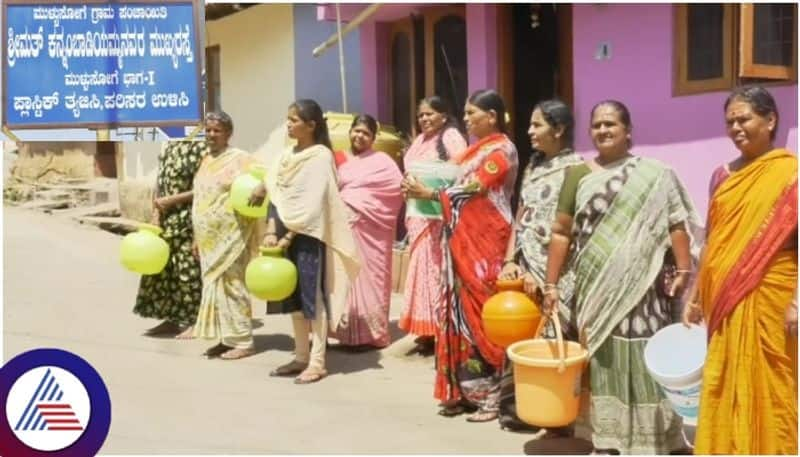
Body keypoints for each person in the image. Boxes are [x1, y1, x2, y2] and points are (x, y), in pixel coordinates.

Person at [543, 100, 702, 454]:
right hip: (594, 287)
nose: (603, 130)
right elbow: (561, 232)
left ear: (628, 130)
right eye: (596, 125)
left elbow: (675, 222)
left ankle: (657, 438)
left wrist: (685, 268)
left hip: (644, 288)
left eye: (610, 124)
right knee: (603, 357)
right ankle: (608, 437)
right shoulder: (577, 175)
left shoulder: (655, 173)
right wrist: (551, 285)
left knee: (645, 355)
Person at [684, 86, 798, 455]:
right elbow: (714, 239)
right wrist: (696, 294)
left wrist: (797, 300)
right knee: (723, 379)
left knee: (772, 381)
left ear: (770, 119)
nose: (736, 127)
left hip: (772, 296)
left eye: (744, 118)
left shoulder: (791, 174)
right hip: (723, 298)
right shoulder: (722, 176)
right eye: (730, 121)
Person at [402, 89, 518, 422]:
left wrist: (432, 193)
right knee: (456, 314)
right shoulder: (470, 152)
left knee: (484, 318)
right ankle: (465, 391)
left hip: (487, 245)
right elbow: (446, 177)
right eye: (465, 113)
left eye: (472, 113)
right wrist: (417, 186)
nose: (465, 119)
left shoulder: (502, 150)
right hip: (459, 240)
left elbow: (475, 188)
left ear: (491, 117)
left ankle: (493, 396)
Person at [496, 99, 583, 430]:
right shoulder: (533, 166)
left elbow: (568, 232)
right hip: (524, 267)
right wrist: (510, 261)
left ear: (558, 130)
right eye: (530, 125)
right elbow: (522, 218)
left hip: (556, 274)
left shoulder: (577, 170)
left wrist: (545, 277)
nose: (529, 131)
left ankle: (554, 414)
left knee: (549, 343)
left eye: (537, 125)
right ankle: (518, 410)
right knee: (518, 338)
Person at [261, 99, 360, 384]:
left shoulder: (319, 157)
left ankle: (317, 361)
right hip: (282, 235)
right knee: (292, 298)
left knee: (312, 298)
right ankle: (300, 356)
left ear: (311, 125)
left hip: (309, 236)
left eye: (294, 120)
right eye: (288, 119)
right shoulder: (284, 157)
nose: (289, 125)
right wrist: (271, 229)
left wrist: (289, 235)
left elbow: (315, 205)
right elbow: (275, 194)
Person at [399, 96, 468, 354]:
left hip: (437, 213)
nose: (424, 119)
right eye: (421, 115)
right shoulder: (419, 140)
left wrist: (431, 182)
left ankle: (442, 328)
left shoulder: (450, 136)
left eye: (430, 114)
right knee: (421, 269)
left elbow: (461, 168)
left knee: (437, 269)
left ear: (443, 115)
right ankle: (426, 330)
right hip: (418, 214)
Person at [191, 111, 260, 360]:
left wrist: (260, 191)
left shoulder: (240, 159)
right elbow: (200, 197)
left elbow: (261, 181)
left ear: (228, 133)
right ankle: (226, 338)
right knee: (215, 287)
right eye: (208, 130)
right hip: (208, 239)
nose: (211, 135)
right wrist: (196, 237)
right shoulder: (206, 158)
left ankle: (244, 341)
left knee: (233, 286)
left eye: (216, 130)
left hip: (232, 236)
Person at [333, 114, 403, 349]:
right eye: (356, 131)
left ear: (373, 138)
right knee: (344, 279)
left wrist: (357, 203)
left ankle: (372, 335)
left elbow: (395, 190)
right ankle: (345, 334)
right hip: (342, 230)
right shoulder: (338, 159)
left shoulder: (383, 161)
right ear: (349, 132)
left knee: (370, 279)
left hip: (372, 232)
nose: (359, 136)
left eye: (365, 133)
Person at [134, 141, 206, 339]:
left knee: (188, 272)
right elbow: (160, 181)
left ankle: (195, 320)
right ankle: (172, 318)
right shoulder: (169, 145)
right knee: (168, 271)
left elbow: (205, 188)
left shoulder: (201, 148)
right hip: (166, 220)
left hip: (188, 220)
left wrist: (172, 200)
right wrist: (156, 211)